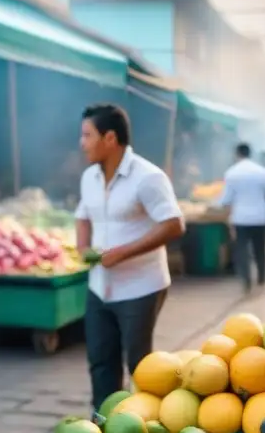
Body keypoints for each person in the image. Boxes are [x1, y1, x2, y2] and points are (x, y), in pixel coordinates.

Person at [74, 104, 185, 411]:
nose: (81, 143)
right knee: (100, 362)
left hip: (141, 287)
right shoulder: (89, 178)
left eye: (87, 135)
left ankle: (141, 427)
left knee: (140, 367)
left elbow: (174, 224)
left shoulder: (148, 177)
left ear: (110, 138)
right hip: (99, 286)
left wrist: (123, 253)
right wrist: (83, 247)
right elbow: (82, 215)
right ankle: (102, 428)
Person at [219, 143, 265, 293]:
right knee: (259, 248)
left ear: (237, 154)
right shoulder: (263, 172)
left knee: (242, 249)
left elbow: (226, 200)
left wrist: (227, 216)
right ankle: (261, 277)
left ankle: (246, 280)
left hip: (240, 218)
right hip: (260, 217)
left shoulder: (231, 173)